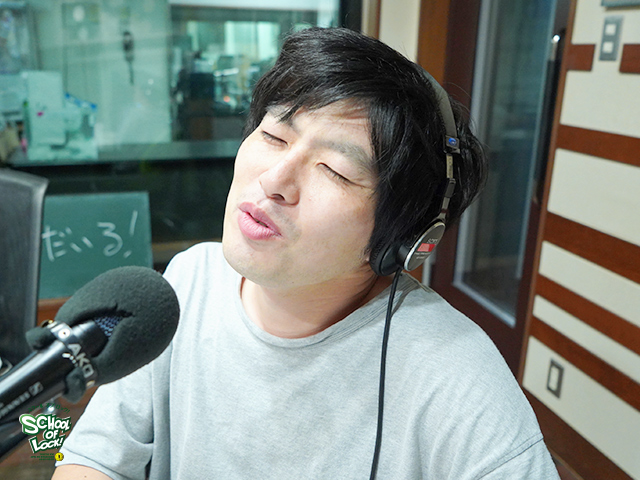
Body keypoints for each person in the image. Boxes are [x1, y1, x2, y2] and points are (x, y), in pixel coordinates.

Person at [52, 27, 559, 479]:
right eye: (274, 136)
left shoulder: (457, 375)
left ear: (403, 235)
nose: (274, 180)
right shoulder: (187, 282)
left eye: (335, 170)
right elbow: (95, 457)